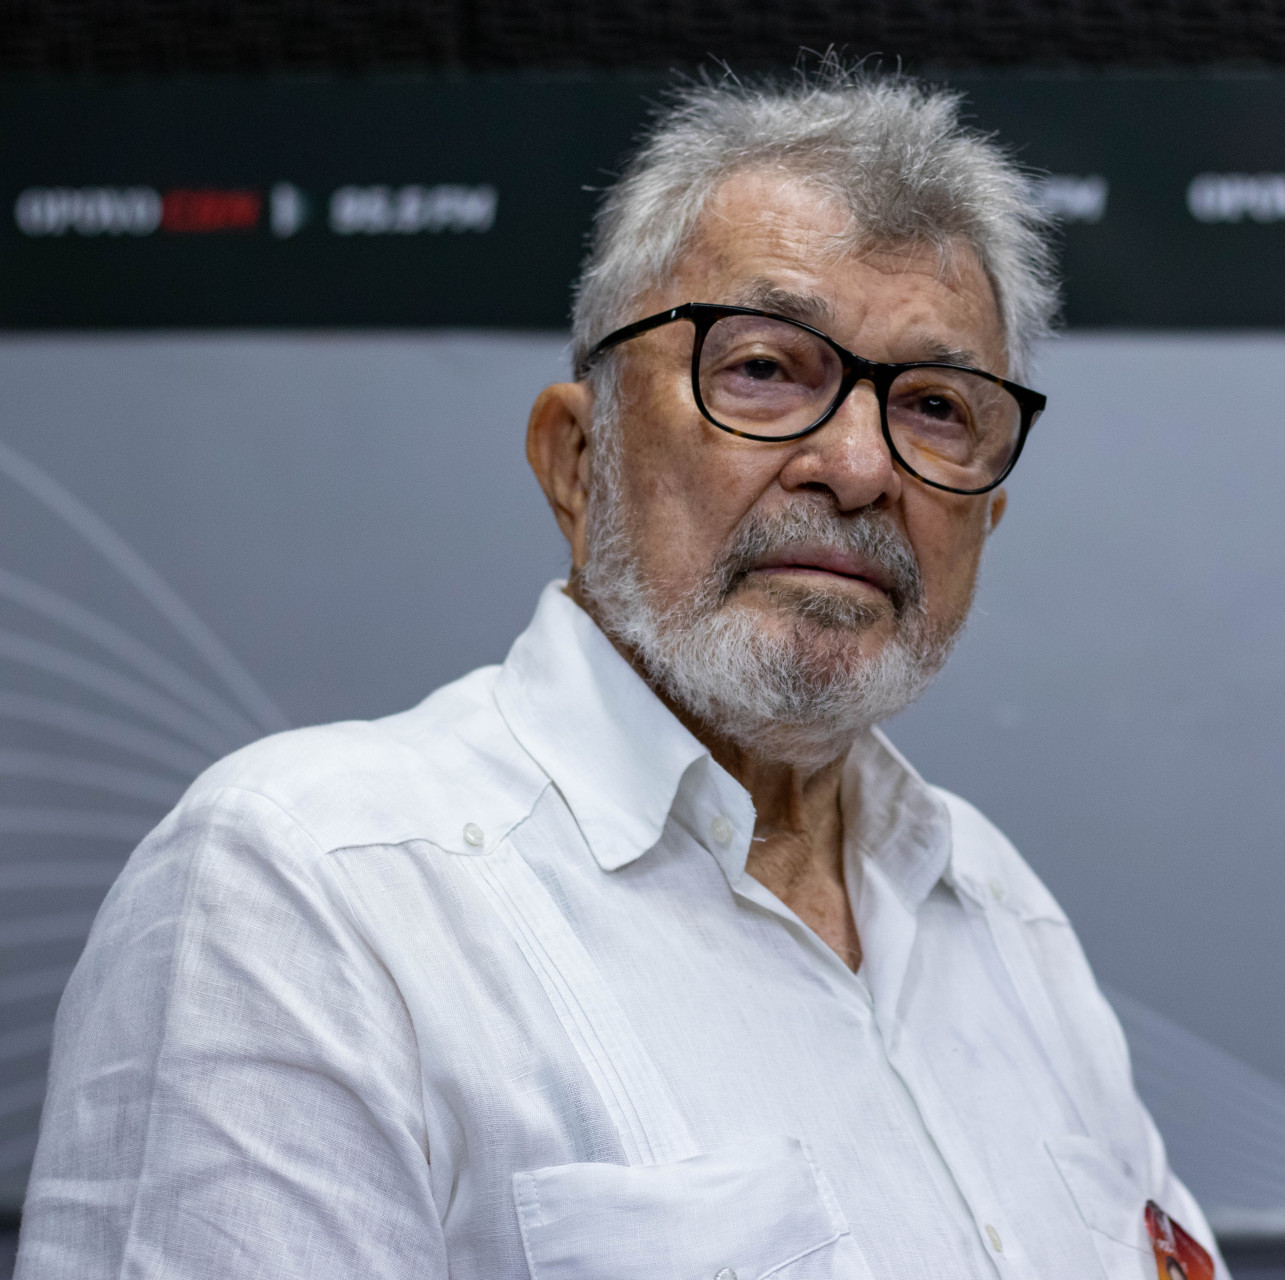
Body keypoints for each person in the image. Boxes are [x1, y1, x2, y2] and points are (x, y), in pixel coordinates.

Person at [17, 63, 1224, 1280]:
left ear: (987, 519)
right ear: (576, 457)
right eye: (764, 369)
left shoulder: (1002, 912)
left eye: (936, 407)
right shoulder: (311, 888)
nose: (861, 465)